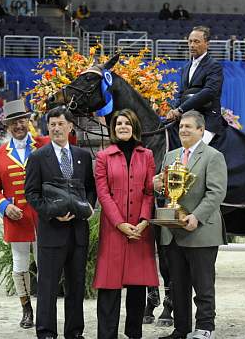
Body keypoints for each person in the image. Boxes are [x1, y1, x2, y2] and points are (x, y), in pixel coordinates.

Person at [154, 111, 227, 339]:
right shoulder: (171, 156)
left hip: (200, 229)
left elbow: (216, 193)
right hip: (173, 231)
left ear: (201, 130)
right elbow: (168, 191)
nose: (183, 130)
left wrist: (196, 216)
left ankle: (205, 327)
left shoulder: (213, 156)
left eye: (188, 126)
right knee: (178, 285)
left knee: (203, 284)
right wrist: (158, 185)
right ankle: (181, 328)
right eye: (181, 126)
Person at [25, 106, 96, 339]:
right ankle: (46, 332)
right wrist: (51, 213)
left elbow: (90, 190)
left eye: (60, 124)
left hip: (77, 232)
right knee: (47, 286)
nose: (56, 128)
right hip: (51, 232)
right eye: (52, 124)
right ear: (48, 126)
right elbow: (32, 194)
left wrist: (84, 209)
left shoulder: (83, 156)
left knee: (76, 285)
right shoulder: (37, 157)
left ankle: (74, 332)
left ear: (70, 126)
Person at [93, 109, 159, 339]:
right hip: (114, 229)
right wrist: (120, 224)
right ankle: (107, 335)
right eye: (119, 123)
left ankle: (134, 334)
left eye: (127, 123)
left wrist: (143, 221)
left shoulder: (147, 155)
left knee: (137, 287)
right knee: (109, 286)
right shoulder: (103, 157)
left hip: (140, 230)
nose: (123, 126)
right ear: (113, 128)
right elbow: (103, 194)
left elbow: (149, 192)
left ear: (134, 127)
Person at [0, 100, 50, 329]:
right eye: (14, 122)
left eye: (22, 120)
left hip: (43, 216)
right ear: (7, 126)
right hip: (17, 218)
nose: (19, 125)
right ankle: (26, 309)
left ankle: (45, 308)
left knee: (45, 264)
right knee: (20, 265)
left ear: (29, 121)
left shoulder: (44, 144)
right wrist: (4, 206)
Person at [166, 26, 226, 144]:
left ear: (207, 44)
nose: (192, 45)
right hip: (188, 117)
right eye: (190, 41)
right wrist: (173, 110)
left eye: (196, 41)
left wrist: (181, 109)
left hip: (207, 119)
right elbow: (182, 94)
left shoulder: (214, 66)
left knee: (197, 148)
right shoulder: (186, 67)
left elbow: (209, 92)